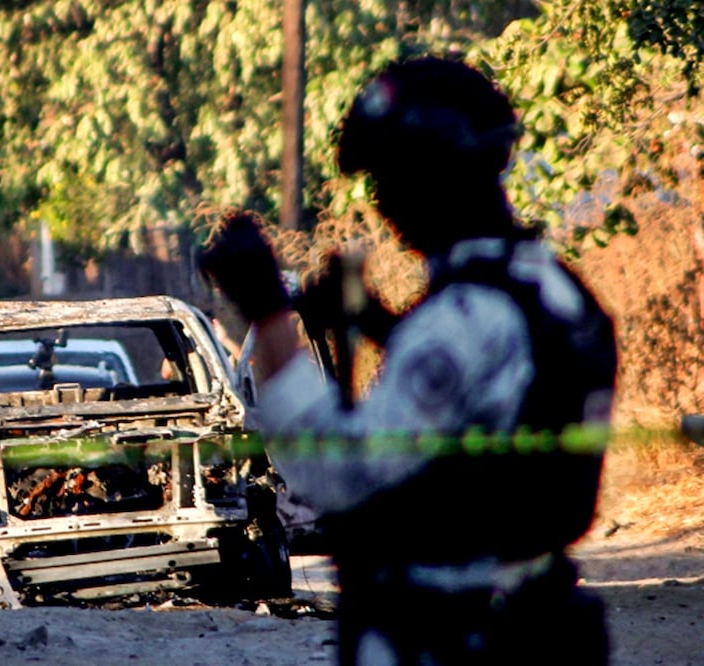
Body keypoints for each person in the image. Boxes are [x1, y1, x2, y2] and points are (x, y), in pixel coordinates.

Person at [199, 56, 617, 665]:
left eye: (387, 178)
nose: (383, 204)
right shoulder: (555, 290)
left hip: (455, 635)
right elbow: (492, 392)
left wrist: (265, 313)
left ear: (432, 175)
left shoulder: (460, 320)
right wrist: (377, 324)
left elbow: (338, 476)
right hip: (539, 613)